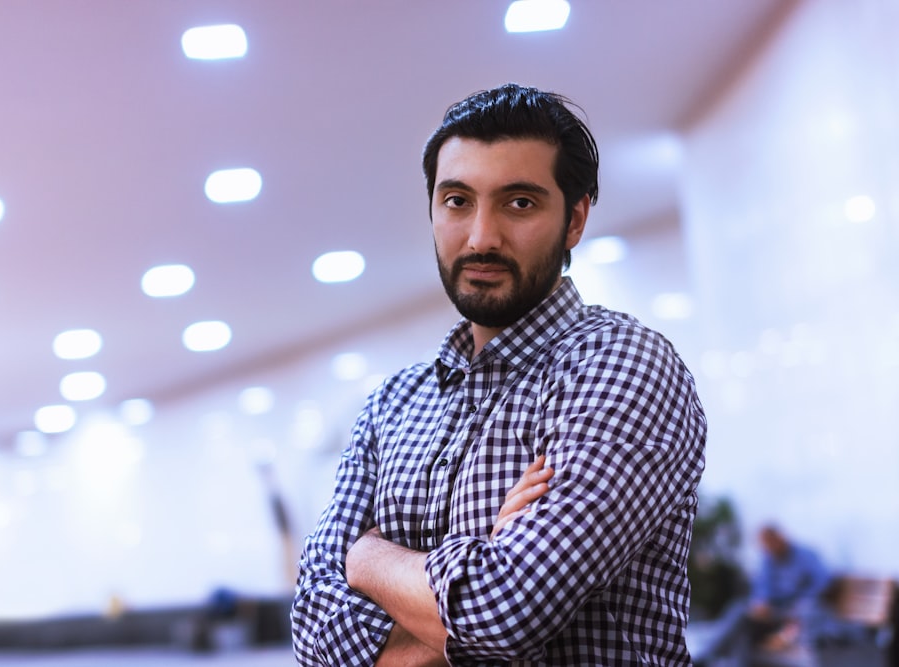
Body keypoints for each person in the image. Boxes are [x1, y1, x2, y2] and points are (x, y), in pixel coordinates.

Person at [291, 83, 707, 666]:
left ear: (575, 220)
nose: (482, 236)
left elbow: (506, 615)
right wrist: (480, 557)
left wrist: (368, 559)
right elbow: (315, 640)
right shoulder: (392, 404)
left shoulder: (622, 364)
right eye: (458, 200)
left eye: (520, 203)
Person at [745, 525, 830, 656]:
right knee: (740, 611)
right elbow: (762, 585)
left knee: (805, 610)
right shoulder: (768, 559)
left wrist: (803, 598)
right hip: (778, 609)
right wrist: (761, 601)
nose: (770, 550)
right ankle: (717, 653)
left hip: (802, 607)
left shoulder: (805, 555)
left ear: (780, 538)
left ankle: (784, 638)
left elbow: (823, 580)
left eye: (771, 544)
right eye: (766, 546)